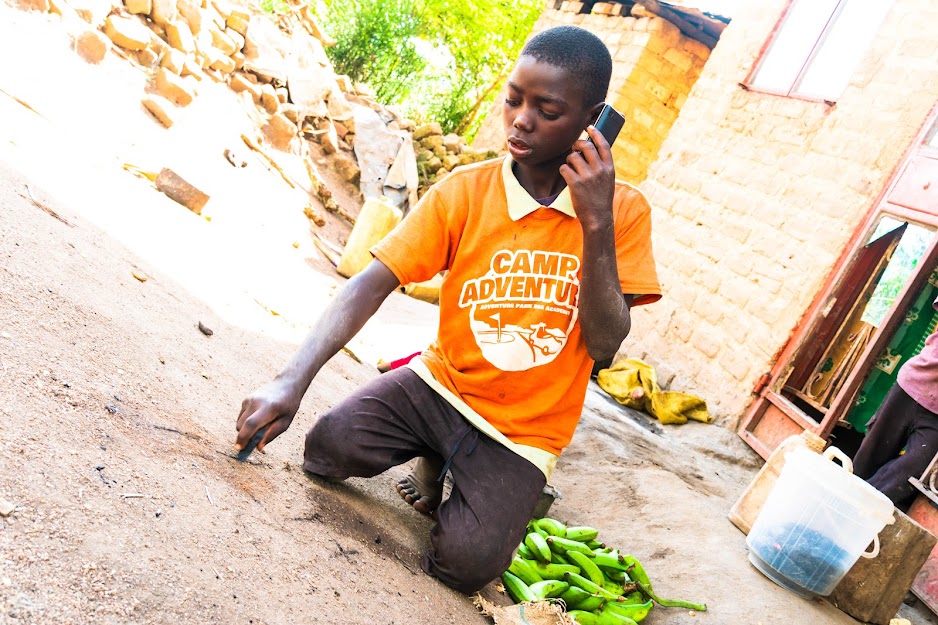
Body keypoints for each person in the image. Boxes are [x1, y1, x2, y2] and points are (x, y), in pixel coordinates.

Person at [234, 25, 661, 593]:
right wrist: (290, 381)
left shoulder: (623, 212)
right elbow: (370, 282)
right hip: (439, 385)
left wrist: (596, 221)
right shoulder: (466, 190)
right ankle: (436, 455)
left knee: (464, 566)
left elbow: (606, 345)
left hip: (523, 431)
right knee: (325, 451)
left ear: (593, 120)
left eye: (547, 109)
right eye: (514, 99)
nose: (521, 120)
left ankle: (501, 485)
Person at [853, 295, 938, 510]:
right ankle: (835, 508)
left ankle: (855, 511)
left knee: (913, 471)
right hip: (914, 384)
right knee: (868, 459)